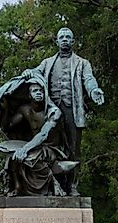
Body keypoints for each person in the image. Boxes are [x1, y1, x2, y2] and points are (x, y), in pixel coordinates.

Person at [22, 27, 104, 196]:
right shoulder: (47, 62)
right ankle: (54, 185)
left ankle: (73, 186)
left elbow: (88, 79)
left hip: (72, 111)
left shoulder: (82, 63)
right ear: (57, 41)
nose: (65, 39)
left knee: (73, 150)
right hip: (52, 111)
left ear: (73, 42)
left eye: (68, 37)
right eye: (62, 37)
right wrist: (29, 71)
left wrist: (94, 90)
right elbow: (36, 72)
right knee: (53, 149)